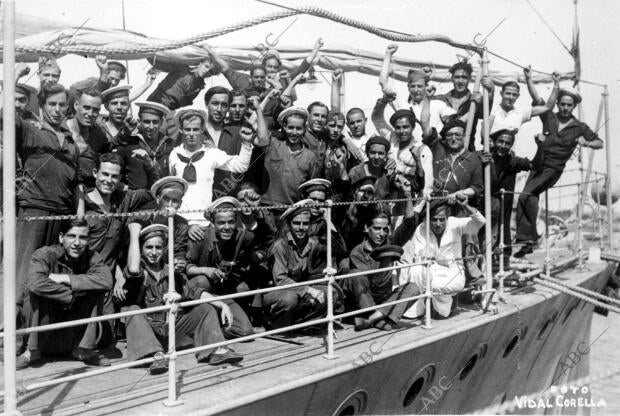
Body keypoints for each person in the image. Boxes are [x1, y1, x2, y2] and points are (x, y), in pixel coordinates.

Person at [122, 224, 243, 374]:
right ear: (141, 249)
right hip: (149, 335)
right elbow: (133, 269)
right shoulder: (139, 270)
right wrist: (134, 232)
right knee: (132, 310)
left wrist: (223, 305)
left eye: (158, 247)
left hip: (173, 331)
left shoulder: (172, 272)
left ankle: (215, 350)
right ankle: (155, 356)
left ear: (165, 248)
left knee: (205, 308)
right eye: (149, 247)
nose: (154, 252)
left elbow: (195, 292)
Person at [514, 87, 604, 257]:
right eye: (562, 104)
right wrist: (529, 80)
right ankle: (528, 241)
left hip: (553, 169)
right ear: (558, 104)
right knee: (529, 197)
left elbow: (600, 143)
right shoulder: (550, 116)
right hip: (537, 164)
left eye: (568, 105)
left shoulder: (579, 127)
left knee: (525, 195)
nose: (564, 108)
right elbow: (537, 99)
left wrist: (587, 143)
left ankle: (527, 240)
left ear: (573, 106)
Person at [15, 84, 82, 300]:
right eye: (52, 104)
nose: (57, 109)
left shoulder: (71, 142)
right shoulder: (30, 129)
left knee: (49, 273)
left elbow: (77, 182)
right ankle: (10, 325)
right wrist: (13, 78)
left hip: (61, 215)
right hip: (35, 211)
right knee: (23, 272)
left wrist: (78, 213)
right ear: (42, 106)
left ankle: (39, 328)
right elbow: (6, 115)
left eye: (62, 105)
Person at [17, 219, 113, 369]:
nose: (77, 243)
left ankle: (82, 349)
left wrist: (66, 279)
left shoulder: (92, 256)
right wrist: (72, 294)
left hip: (71, 329)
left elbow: (106, 281)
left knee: (96, 292)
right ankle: (32, 351)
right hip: (45, 324)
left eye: (82, 238)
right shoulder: (45, 254)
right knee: (33, 294)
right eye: (71, 236)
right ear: (61, 237)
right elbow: (36, 283)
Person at [263, 200, 344, 329]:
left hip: (300, 290)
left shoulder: (312, 242)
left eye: (305, 224)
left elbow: (340, 249)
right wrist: (308, 290)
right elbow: (280, 280)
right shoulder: (280, 246)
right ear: (289, 224)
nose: (301, 227)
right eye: (296, 223)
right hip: (277, 292)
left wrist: (327, 218)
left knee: (331, 292)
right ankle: (276, 325)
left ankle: (300, 325)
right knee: (290, 298)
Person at [401, 195, 485, 318]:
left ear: (447, 218)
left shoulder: (455, 223)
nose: (438, 224)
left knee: (435, 287)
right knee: (416, 270)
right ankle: (416, 311)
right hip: (431, 270)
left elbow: (481, 221)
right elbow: (419, 255)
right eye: (434, 220)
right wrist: (436, 258)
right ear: (427, 219)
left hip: (452, 272)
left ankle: (442, 307)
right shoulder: (421, 228)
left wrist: (465, 205)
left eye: (442, 219)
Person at [168, 108, 253, 229]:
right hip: (179, 222)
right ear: (181, 130)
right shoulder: (174, 155)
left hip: (204, 221)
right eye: (187, 129)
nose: (191, 134)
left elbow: (241, 166)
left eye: (196, 129)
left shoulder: (211, 153)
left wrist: (246, 143)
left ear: (202, 130)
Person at [185, 196, 257, 326]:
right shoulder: (199, 237)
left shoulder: (242, 236)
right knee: (203, 280)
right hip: (201, 291)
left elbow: (260, 237)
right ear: (212, 222)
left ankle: (222, 321)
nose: (227, 227)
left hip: (223, 289)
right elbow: (187, 267)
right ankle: (200, 321)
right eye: (221, 223)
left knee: (245, 330)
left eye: (231, 222)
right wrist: (206, 270)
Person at [379, 44, 456, 141]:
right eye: (413, 86)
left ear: (425, 87)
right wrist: (388, 55)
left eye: (419, 86)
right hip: (412, 151)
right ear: (408, 87)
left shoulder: (438, 104)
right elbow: (383, 83)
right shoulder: (403, 106)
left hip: (436, 149)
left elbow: (455, 122)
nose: (416, 90)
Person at [479, 129, 532, 267]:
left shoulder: (511, 161)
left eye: (507, 143)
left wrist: (542, 147)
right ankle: (485, 258)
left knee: (504, 225)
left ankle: (504, 257)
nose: (503, 146)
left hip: (502, 205)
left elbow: (532, 165)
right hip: (482, 203)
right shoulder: (481, 156)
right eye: (500, 142)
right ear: (493, 142)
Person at [259, 107, 319, 210]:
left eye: (299, 128)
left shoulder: (310, 156)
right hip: (267, 207)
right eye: (290, 127)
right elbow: (262, 136)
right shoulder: (273, 145)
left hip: (293, 210)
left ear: (304, 129)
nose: (294, 132)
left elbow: (310, 187)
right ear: (284, 127)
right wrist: (258, 109)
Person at [111, 101, 172, 190]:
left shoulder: (170, 145)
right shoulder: (130, 144)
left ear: (161, 122)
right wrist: (126, 189)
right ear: (139, 122)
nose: (151, 127)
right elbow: (109, 166)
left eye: (155, 122)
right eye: (147, 122)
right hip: (138, 200)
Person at [434, 60, 494, 149]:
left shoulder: (475, 100)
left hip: (466, 149)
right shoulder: (439, 99)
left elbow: (485, 114)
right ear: (452, 79)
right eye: (457, 77)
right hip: (442, 149)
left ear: (469, 79)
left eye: (464, 77)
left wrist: (491, 91)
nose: (460, 81)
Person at [489, 69, 560, 137]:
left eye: (514, 95)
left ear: (518, 96)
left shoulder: (520, 113)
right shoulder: (491, 109)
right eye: (508, 93)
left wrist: (556, 83)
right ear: (501, 94)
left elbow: (548, 107)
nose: (511, 97)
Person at [66, 88, 110, 188]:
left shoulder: (99, 135)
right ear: (76, 105)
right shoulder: (60, 130)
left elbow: (108, 157)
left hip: (88, 192)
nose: (90, 114)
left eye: (95, 110)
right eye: (86, 107)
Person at [347, 136, 395, 200]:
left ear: (386, 155)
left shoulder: (388, 172)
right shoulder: (355, 172)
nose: (376, 157)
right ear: (367, 153)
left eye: (381, 153)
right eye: (373, 152)